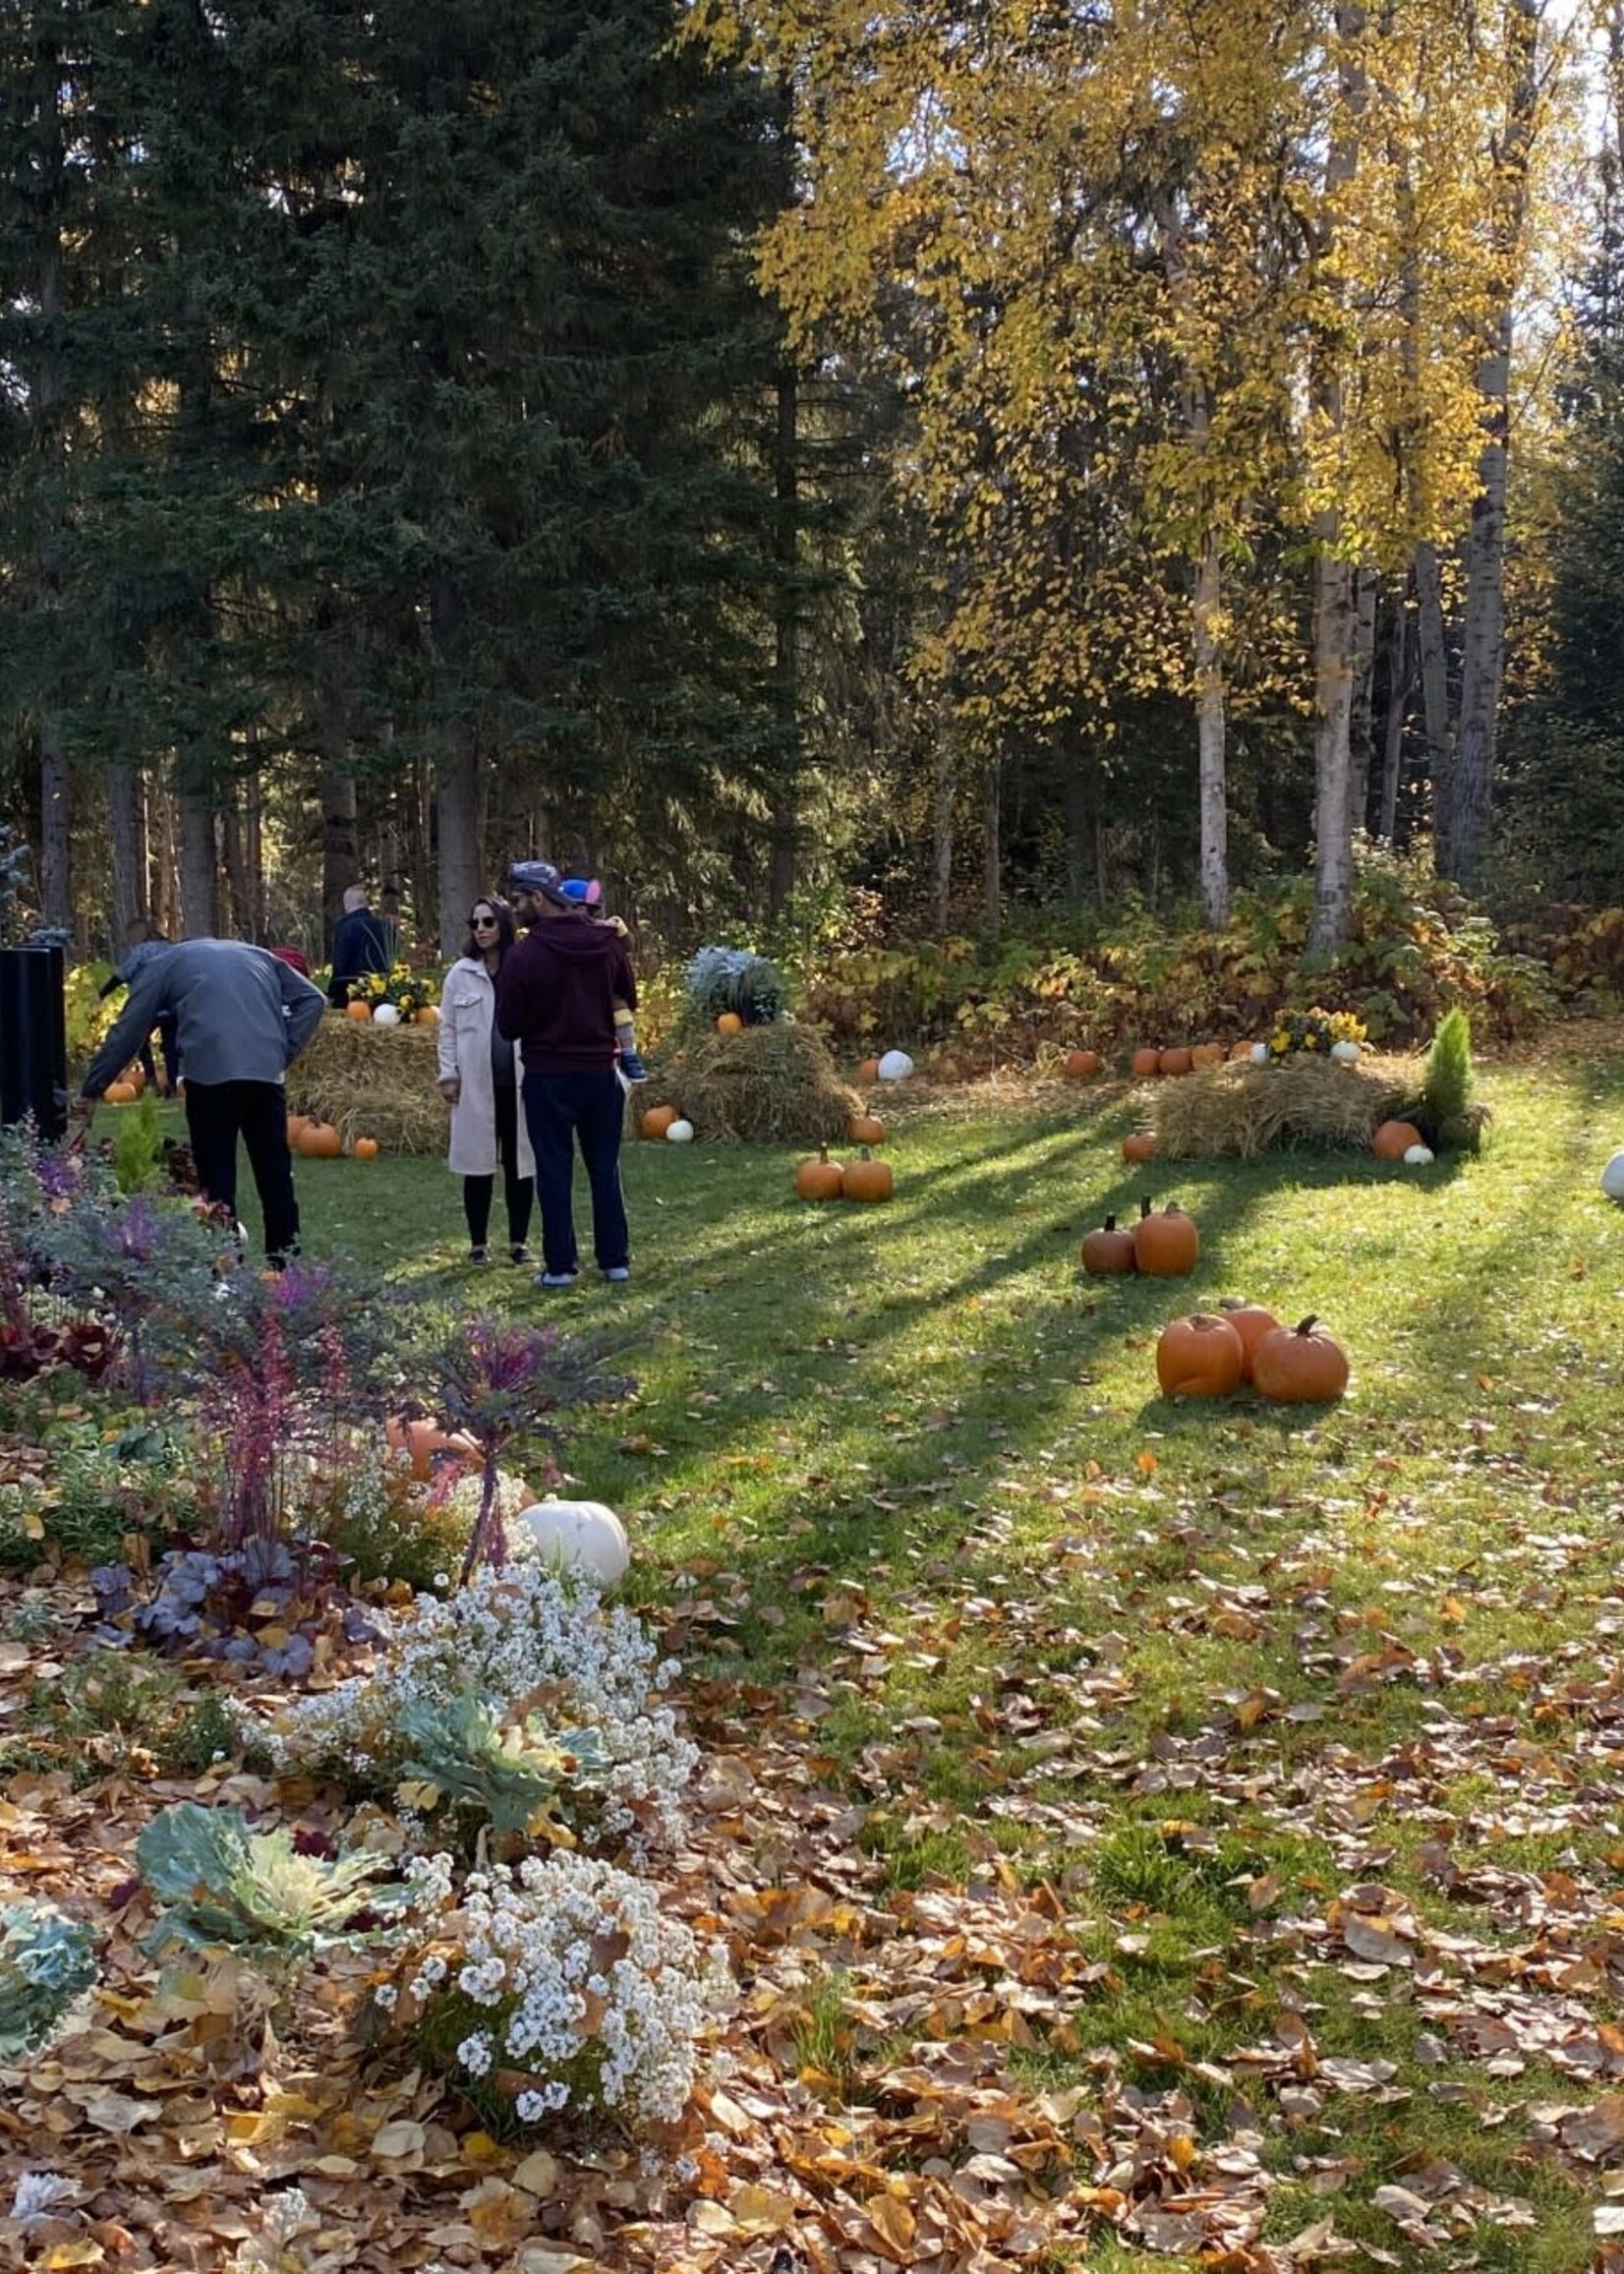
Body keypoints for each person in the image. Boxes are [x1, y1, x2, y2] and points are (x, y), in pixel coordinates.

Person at [79, 938, 326, 1265]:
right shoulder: (256, 954)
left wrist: (91, 1089)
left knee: (216, 1179)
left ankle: (225, 1272)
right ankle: (286, 1270)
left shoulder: (160, 967)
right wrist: (282, 1050)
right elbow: (314, 999)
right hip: (265, 1072)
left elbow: (128, 1031)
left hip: (210, 1074)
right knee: (274, 1174)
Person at [496, 859, 637, 1288]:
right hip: (599, 1071)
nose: (514, 910)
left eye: (519, 901)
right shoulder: (608, 943)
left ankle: (560, 1267)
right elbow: (627, 998)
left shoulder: (523, 955)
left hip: (547, 1074)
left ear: (540, 898)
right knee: (604, 1166)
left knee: (554, 1169)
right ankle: (615, 1261)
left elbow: (508, 1026)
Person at [436, 896, 536, 1266]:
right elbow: (447, 1029)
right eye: (474, 923)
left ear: (504, 925)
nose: (480, 930)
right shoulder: (460, 974)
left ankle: (518, 1242)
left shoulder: (522, 967)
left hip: (520, 1084)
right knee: (477, 1164)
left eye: (488, 922)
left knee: (520, 1162)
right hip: (476, 1085)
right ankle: (477, 1243)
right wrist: (448, 1075)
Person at [559, 878, 647, 1079]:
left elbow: (626, 950)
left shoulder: (605, 935)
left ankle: (629, 1054)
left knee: (620, 1010)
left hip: (602, 998)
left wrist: (618, 929)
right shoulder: (553, 938)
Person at [98, 936, 181, 1095]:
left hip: (148, 1003)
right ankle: (172, 1085)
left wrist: (102, 993)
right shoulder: (174, 950)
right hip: (172, 1004)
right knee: (171, 1045)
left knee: (141, 1040)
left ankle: (151, 1081)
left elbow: (122, 975)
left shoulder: (141, 951)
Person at [326, 884, 391, 1008]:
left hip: (351, 997)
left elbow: (341, 965)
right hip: (384, 997)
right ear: (365, 903)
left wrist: (333, 994)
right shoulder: (386, 928)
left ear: (347, 904)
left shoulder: (344, 928)